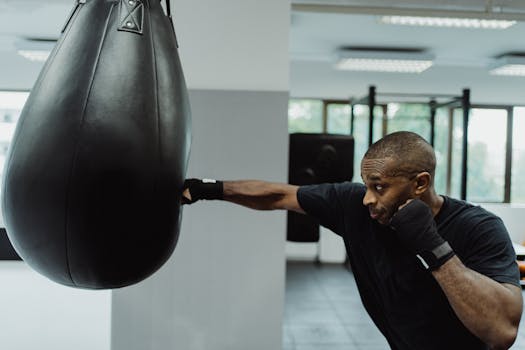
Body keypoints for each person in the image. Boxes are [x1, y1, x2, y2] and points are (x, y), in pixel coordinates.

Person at [181, 131, 523, 350]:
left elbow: (502, 331)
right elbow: (276, 195)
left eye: (379, 186)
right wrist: (203, 189)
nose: (367, 199)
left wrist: (433, 247)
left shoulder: (479, 228)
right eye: (366, 185)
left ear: (420, 183)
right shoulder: (355, 207)